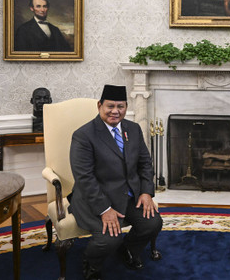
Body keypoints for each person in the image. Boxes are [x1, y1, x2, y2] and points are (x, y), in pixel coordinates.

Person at [69, 85, 162, 280]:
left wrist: (146, 192)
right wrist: (104, 209)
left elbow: (145, 163)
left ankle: (127, 249)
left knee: (153, 223)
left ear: (126, 107)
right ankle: (91, 264)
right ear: (99, 106)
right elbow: (84, 178)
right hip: (95, 198)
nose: (115, 111)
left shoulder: (133, 129)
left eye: (121, 106)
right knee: (109, 239)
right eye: (110, 106)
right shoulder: (83, 135)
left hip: (128, 195)